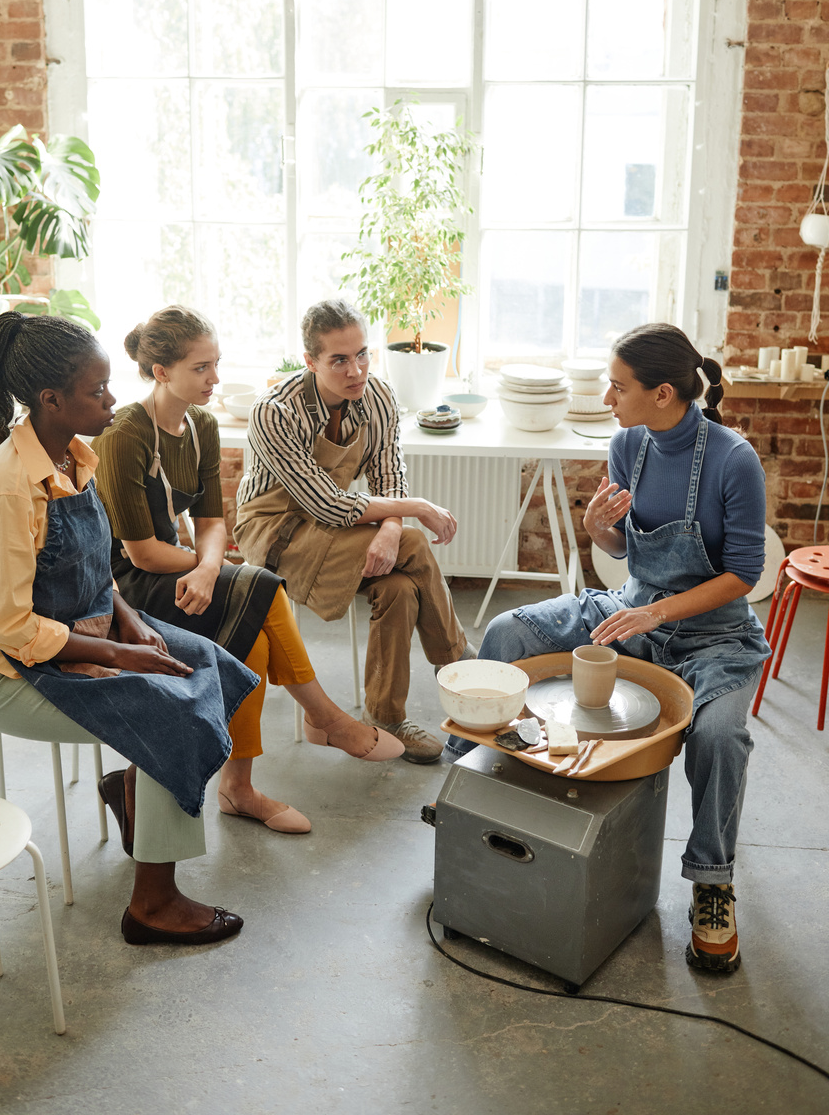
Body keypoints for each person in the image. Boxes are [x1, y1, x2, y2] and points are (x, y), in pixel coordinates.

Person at [455, 323, 770, 973]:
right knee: (511, 632)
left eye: (617, 386)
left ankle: (712, 884)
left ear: (663, 393)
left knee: (719, 739)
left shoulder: (734, 460)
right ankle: (471, 784)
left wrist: (656, 608)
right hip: (631, 610)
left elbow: (742, 573)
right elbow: (626, 550)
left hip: (716, 639)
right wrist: (599, 531)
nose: (606, 397)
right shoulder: (630, 443)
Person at [0, 311, 260, 947]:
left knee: (212, 666)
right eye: (98, 390)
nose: (114, 399)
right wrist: (117, 651)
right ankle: (153, 903)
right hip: (2, 670)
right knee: (171, 715)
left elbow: (93, 571)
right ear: (51, 399)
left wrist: (132, 623)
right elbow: (10, 629)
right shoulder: (6, 488)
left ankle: (134, 793)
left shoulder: (75, 456)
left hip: (77, 635)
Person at [91, 305, 402, 834]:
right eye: (201, 369)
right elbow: (140, 553)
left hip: (186, 568)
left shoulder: (203, 425)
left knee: (254, 634)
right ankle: (325, 719)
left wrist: (212, 565)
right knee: (260, 589)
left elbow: (213, 520)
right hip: (127, 588)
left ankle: (238, 789)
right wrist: (212, 566)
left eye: (216, 364)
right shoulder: (126, 434)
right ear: (162, 372)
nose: (215, 379)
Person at [234, 298, 477, 765]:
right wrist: (414, 510)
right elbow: (323, 502)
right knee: (413, 540)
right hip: (276, 531)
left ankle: (385, 717)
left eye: (363, 354)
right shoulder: (275, 412)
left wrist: (390, 526)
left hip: (340, 530)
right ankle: (459, 660)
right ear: (310, 362)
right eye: (339, 360)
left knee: (401, 585)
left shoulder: (379, 396)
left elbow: (389, 477)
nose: (355, 370)